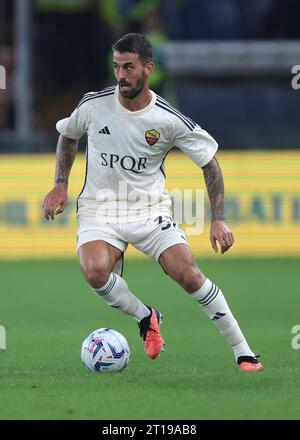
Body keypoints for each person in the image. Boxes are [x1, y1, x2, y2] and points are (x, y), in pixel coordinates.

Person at [43, 33, 263, 372]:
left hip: (150, 210)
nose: (121, 75)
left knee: (187, 273)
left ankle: (243, 352)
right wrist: (60, 184)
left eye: (129, 67)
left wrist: (218, 218)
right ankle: (146, 316)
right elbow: (68, 135)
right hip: (100, 209)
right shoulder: (94, 104)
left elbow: (210, 163)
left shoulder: (167, 119)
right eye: (116, 67)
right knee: (94, 271)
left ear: (148, 69)